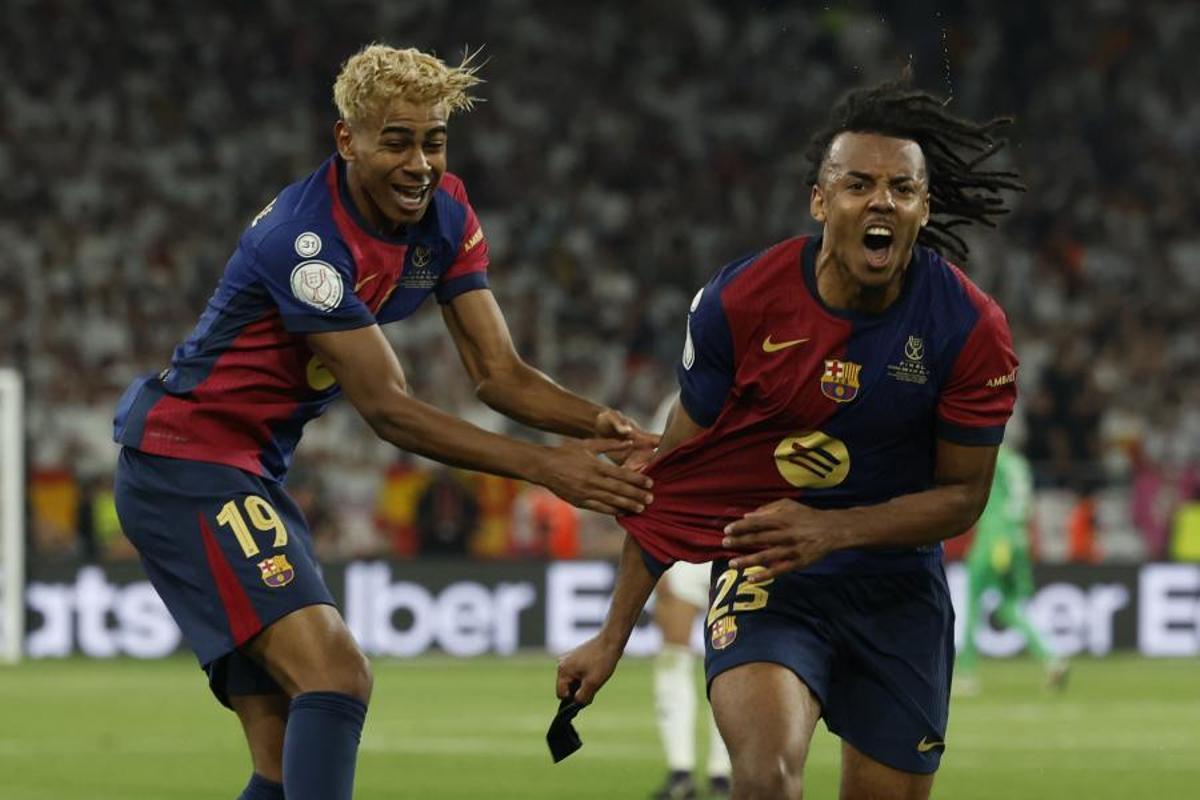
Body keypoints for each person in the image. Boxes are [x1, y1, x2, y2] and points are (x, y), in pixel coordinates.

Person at [112, 44, 655, 800]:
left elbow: (499, 375)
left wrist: (604, 423)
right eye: (396, 140)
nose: (419, 164)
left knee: (280, 763)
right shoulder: (304, 243)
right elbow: (389, 409)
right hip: (186, 464)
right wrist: (548, 466)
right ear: (348, 140)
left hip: (246, 470)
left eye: (433, 141)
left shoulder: (445, 214)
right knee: (336, 673)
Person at [557, 79, 1023, 800]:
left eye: (902, 188)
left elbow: (963, 497)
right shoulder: (741, 303)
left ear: (923, 209)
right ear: (819, 201)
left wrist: (832, 530)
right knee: (766, 779)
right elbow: (676, 480)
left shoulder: (968, 327)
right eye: (858, 184)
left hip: (896, 590)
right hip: (769, 573)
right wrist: (612, 635)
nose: (881, 201)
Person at [647, 395, 732, 800]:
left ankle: (723, 773)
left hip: (741, 543)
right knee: (673, 653)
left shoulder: (772, 384)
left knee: (736, 659)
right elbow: (655, 474)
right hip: (685, 542)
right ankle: (681, 771)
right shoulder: (682, 398)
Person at [955, 445, 1068, 696]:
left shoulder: (989, 458)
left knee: (972, 605)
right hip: (1019, 540)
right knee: (1010, 606)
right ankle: (1051, 658)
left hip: (993, 541)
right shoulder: (1020, 464)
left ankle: (967, 674)